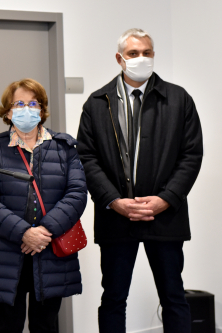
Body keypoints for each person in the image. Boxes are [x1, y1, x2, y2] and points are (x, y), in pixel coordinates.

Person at [76, 28, 203, 333]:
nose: (141, 58)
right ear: (120, 58)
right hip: (116, 218)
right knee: (114, 298)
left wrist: (166, 198)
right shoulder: (97, 103)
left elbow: (191, 155)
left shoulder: (178, 99)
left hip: (165, 216)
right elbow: (87, 158)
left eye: (147, 52)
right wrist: (114, 201)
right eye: (134, 54)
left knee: (174, 296)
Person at [0, 78, 87, 333]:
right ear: (8, 110)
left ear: (42, 109)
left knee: (46, 325)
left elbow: (77, 193)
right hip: (6, 251)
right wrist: (24, 233)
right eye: (20, 103)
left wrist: (44, 232)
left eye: (33, 103)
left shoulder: (63, 147)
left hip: (50, 251)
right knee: (8, 326)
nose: (27, 108)